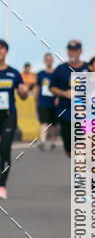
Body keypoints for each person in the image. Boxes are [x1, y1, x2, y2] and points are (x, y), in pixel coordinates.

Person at [0, 40, 29, 198]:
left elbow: (23, 95)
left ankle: (2, 184)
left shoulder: (14, 73)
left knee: (4, 148)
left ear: (6, 51)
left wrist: (24, 91)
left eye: (2, 48)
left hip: (8, 116)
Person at [49, 40, 87, 158]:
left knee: (82, 145)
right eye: (70, 50)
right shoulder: (61, 69)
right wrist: (64, 93)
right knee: (69, 149)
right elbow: (52, 87)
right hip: (66, 111)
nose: (73, 53)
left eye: (75, 50)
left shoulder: (88, 68)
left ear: (80, 51)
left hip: (84, 113)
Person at [34, 52, 59, 150]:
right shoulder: (41, 74)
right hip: (43, 102)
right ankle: (43, 141)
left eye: (50, 59)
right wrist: (36, 101)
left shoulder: (56, 73)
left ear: (52, 61)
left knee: (53, 124)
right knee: (43, 122)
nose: (48, 61)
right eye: (47, 59)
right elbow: (37, 88)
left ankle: (52, 141)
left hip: (54, 102)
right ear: (44, 61)